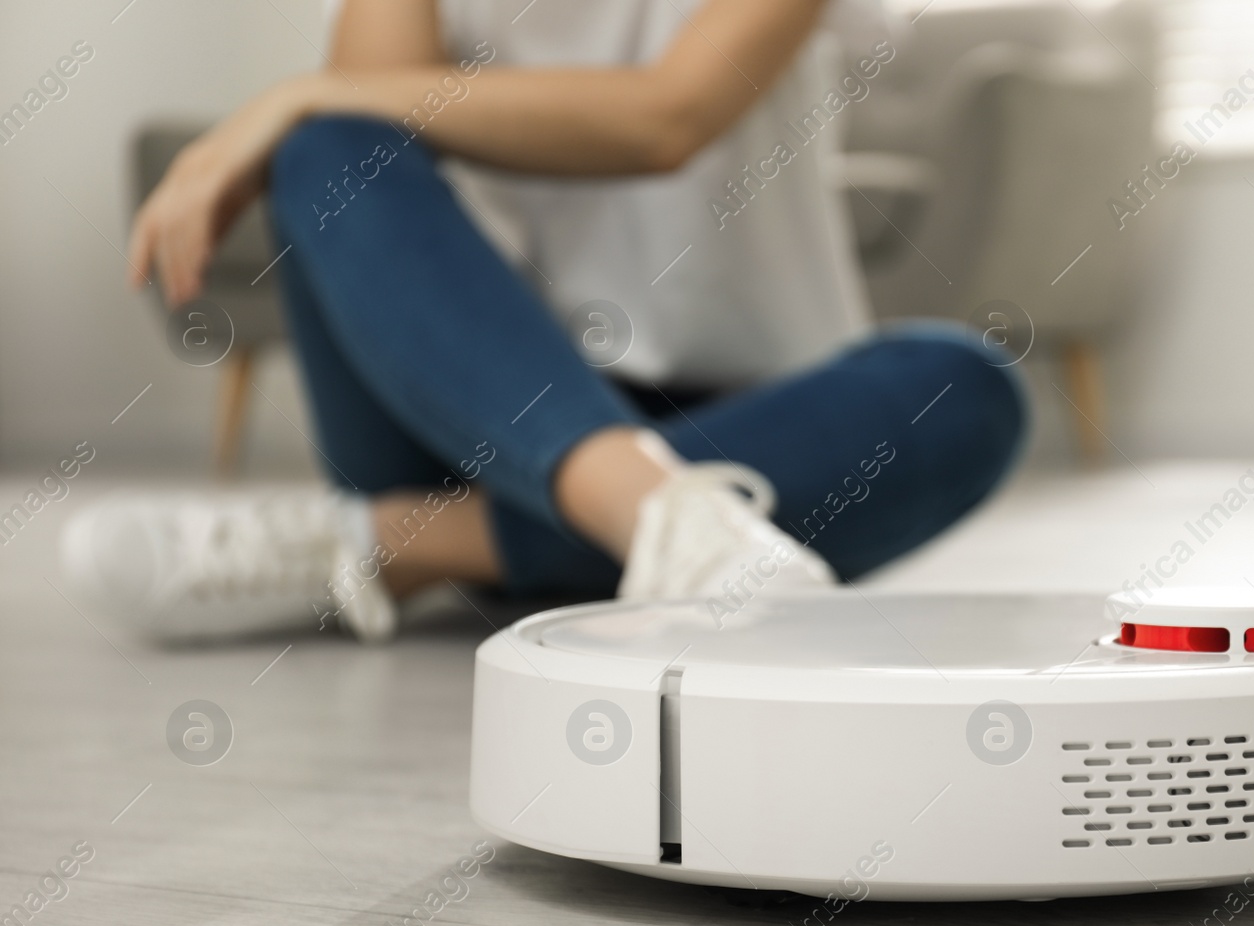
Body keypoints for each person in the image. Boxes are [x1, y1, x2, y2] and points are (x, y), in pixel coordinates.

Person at [62, 0, 1026, 642]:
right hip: (472, 415)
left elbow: (665, 121)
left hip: (746, 430)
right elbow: (354, 132)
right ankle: (668, 527)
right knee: (329, 149)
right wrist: (307, 106)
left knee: (966, 388)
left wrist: (293, 90)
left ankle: (395, 547)